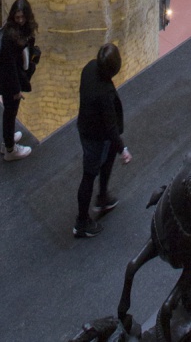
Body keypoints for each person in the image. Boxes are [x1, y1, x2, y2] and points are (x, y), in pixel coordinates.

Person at [74, 43, 131, 239]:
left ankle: (103, 197)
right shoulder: (105, 92)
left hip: (86, 128)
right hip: (96, 137)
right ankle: (81, 222)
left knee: (106, 161)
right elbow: (110, 128)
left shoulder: (90, 67)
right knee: (89, 176)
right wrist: (123, 149)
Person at [0, 0, 39, 161]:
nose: (20, 20)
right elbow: (10, 65)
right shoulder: (10, 36)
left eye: (22, 17)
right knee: (10, 112)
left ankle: (8, 141)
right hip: (10, 81)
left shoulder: (22, 31)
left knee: (10, 113)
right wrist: (16, 90)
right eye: (17, 17)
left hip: (15, 77)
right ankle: (10, 150)